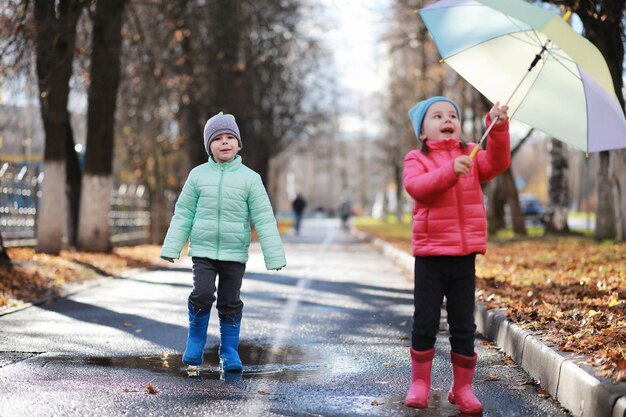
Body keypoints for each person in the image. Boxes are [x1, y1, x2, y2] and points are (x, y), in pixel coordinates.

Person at [402, 96, 510, 413]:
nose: (447, 119)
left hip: (464, 256)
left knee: (463, 323)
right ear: (423, 132)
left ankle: (462, 388)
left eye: (452, 115)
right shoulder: (416, 158)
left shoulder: (471, 153)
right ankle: (419, 383)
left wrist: (499, 125)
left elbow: (499, 162)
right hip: (431, 255)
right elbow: (417, 187)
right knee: (425, 320)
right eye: (437, 116)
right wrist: (450, 171)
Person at [160, 112, 286, 375]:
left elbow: (263, 217)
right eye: (217, 138)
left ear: (239, 144)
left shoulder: (250, 179)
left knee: (230, 302)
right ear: (209, 145)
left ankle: (229, 351)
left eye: (230, 137)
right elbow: (183, 212)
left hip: (234, 252)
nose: (224, 142)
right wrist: (172, 247)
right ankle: (195, 340)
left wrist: (273, 255)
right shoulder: (197, 176)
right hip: (203, 251)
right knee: (203, 293)